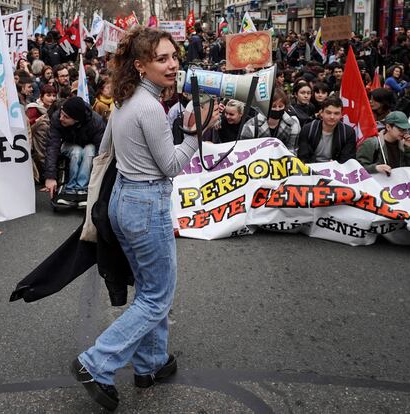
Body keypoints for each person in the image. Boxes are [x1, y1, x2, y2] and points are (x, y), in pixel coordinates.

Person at [69, 27, 218, 411]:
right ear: (140, 66)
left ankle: (149, 365)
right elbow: (169, 165)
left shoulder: (124, 99)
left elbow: (109, 151)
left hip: (125, 201)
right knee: (156, 296)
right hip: (145, 203)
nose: (172, 65)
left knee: (151, 288)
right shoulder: (149, 106)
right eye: (162, 59)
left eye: (174, 57)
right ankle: (96, 363)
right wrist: (193, 134)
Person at [44, 96, 105, 205]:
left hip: (88, 147)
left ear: (76, 120)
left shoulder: (96, 122)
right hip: (67, 145)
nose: (61, 118)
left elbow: (102, 150)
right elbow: (52, 146)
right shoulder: (57, 118)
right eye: (61, 113)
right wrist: (50, 176)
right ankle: (70, 188)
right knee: (76, 150)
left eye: (66, 117)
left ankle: (82, 188)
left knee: (89, 150)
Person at [297, 96, 356, 163]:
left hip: (336, 169)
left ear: (341, 115)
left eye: (336, 113)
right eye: (328, 112)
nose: (332, 117)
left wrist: (334, 164)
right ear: (321, 113)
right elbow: (303, 157)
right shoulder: (308, 129)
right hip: (311, 167)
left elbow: (347, 160)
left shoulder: (348, 133)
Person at [241, 88, 301, 154]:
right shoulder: (251, 125)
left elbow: (291, 150)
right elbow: (245, 153)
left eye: (280, 106)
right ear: (266, 107)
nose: (277, 109)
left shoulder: (293, 124)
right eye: (273, 106)